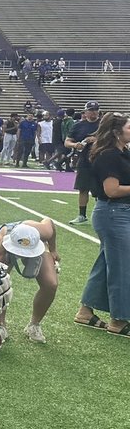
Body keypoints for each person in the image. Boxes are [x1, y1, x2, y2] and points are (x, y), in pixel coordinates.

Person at [74, 113, 130, 336]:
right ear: (117, 131)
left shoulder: (122, 152)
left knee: (105, 264)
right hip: (113, 214)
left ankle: (85, 312)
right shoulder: (108, 155)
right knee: (121, 268)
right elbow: (112, 190)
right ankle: (119, 320)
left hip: (118, 214)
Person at [0, 219, 60, 343]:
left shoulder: (44, 231)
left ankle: (34, 325)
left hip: (33, 242)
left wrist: (53, 249)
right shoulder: (2, 244)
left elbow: (49, 222)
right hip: (8, 241)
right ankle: (0, 324)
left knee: (51, 284)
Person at [65, 102, 102, 223]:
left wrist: (96, 140)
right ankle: (82, 215)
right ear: (85, 112)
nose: (93, 112)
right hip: (84, 160)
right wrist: (76, 144)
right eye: (91, 110)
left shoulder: (103, 124)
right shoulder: (78, 125)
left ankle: (100, 214)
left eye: (95, 110)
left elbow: (113, 138)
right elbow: (67, 142)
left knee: (100, 189)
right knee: (83, 188)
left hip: (101, 160)